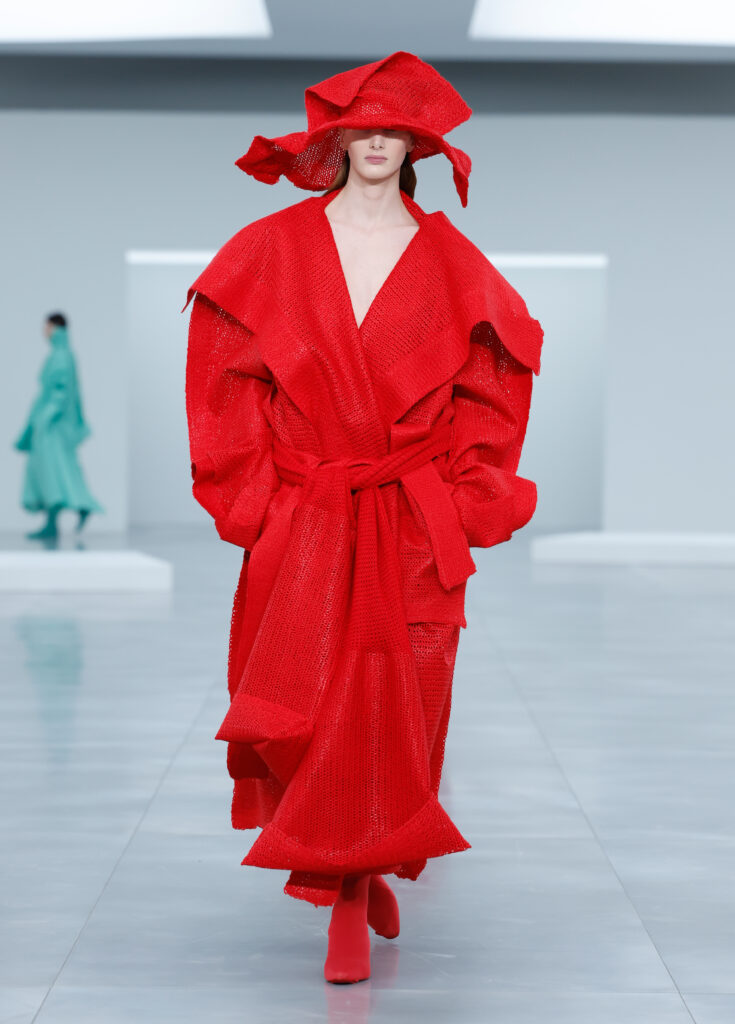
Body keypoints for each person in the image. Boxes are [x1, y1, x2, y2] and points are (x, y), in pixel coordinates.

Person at [183, 50, 544, 984]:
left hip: (409, 520)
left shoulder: (453, 261)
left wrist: (464, 498)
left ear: (417, 147)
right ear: (335, 140)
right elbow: (222, 373)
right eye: (363, 128)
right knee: (307, 700)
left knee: (404, 703)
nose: (378, 142)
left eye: (396, 130)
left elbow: (494, 385)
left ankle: (358, 873)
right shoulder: (271, 247)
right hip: (305, 514)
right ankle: (348, 877)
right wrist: (254, 497)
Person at [14, 313, 104, 539]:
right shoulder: (61, 354)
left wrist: (44, 418)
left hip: (52, 427)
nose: (43, 331)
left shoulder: (61, 356)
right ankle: (66, 514)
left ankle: (56, 521)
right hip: (52, 425)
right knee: (58, 473)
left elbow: (60, 392)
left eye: (46, 327)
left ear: (54, 327)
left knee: (51, 475)